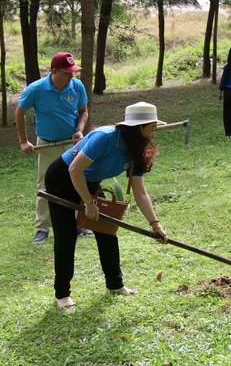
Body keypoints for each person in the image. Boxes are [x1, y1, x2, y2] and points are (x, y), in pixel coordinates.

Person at [45, 102, 169, 310]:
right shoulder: (104, 138)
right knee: (66, 236)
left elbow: (140, 192)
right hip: (62, 178)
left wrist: (156, 225)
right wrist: (90, 202)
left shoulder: (135, 151)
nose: (154, 133)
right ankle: (62, 295)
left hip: (88, 181)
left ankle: (115, 284)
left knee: (107, 231)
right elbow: (75, 170)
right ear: (139, 128)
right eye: (152, 128)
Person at [15, 52, 92, 245]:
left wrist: (79, 130)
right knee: (45, 185)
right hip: (47, 144)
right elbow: (19, 112)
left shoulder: (77, 86)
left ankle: (78, 222)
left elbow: (83, 112)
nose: (71, 76)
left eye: (73, 72)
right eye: (67, 72)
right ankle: (43, 228)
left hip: (72, 143)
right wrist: (24, 141)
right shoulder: (36, 89)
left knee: (77, 181)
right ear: (54, 71)